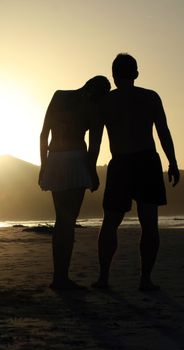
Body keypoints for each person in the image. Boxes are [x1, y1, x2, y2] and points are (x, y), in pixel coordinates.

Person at [88, 53, 180, 291]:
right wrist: (172, 161)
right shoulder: (150, 97)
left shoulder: (105, 103)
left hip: (121, 162)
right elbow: (163, 132)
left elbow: (95, 142)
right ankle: (145, 279)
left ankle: (104, 278)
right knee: (149, 223)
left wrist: (91, 169)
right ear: (136, 74)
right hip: (147, 161)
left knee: (110, 222)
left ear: (114, 75)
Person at [39, 76, 111, 290]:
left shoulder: (59, 96)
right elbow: (94, 145)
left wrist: (44, 165)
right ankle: (62, 278)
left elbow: (44, 134)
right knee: (68, 222)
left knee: (61, 220)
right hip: (77, 160)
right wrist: (93, 173)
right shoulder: (95, 107)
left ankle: (58, 276)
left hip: (56, 159)